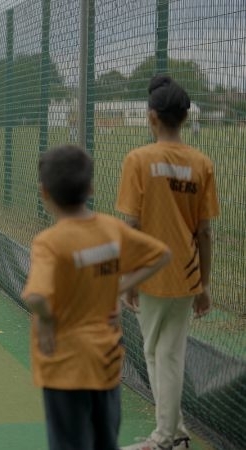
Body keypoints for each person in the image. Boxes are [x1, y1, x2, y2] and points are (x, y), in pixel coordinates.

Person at [22, 145, 171, 450]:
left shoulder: (49, 242)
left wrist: (48, 320)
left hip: (65, 367)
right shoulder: (111, 229)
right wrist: (117, 287)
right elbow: (161, 255)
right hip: (106, 361)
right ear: (91, 187)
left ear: (44, 192)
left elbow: (36, 295)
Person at [116, 75, 219, 450]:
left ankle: (165, 438)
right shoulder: (201, 163)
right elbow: (205, 231)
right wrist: (204, 283)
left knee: (161, 354)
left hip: (150, 272)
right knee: (166, 351)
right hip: (187, 273)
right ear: (185, 118)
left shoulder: (139, 160)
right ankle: (175, 435)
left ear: (153, 117)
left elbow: (132, 224)